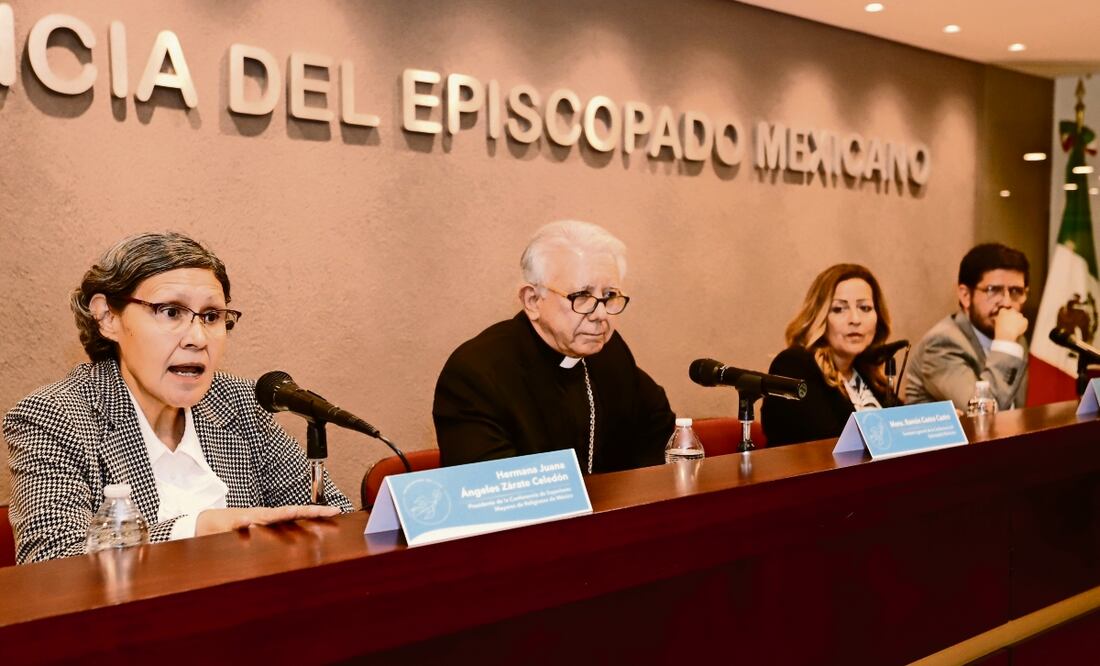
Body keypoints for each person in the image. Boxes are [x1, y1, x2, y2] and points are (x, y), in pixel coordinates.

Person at [3, 232, 352, 564]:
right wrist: (196, 529)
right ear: (108, 318)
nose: (197, 338)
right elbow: (51, 563)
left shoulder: (240, 403)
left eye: (212, 317)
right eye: (171, 312)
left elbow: (337, 518)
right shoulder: (53, 416)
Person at [433, 220, 675, 473]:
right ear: (533, 300)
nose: (601, 314)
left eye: (610, 296)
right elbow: (491, 489)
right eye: (582, 296)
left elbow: (660, 433)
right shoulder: (476, 373)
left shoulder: (610, 353)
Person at [762, 264, 898, 446]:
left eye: (864, 308)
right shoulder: (794, 365)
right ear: (820, 316)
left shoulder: (868, 375)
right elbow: (827, 446)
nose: (855, 319)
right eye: (839, 309)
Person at [905, 243, 1030, 411]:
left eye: (1016, 291)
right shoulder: (941, 343)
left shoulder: (1016, 338)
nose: (1007, 303)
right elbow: (983, 415)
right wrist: (1006, 343)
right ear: (965, 295)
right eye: (993, 290)